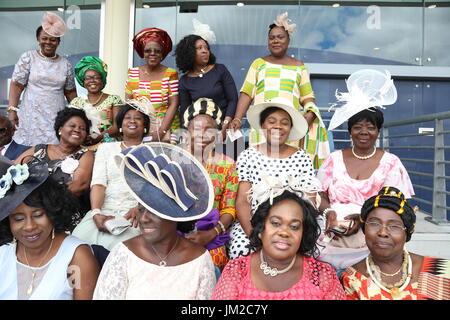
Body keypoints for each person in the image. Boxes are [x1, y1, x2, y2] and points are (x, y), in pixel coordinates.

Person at [317, 70, 414, 270]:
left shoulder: (390, 163)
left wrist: (364, 220)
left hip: (373, 238)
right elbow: (319, 195)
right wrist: (329, 213)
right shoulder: (334, 159)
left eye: (370, 127)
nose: (363, 132)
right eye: (358, 127)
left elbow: (396, 204)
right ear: (350, 130)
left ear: (378, 131)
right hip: (332, 233)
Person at [93, 144, 217, 299]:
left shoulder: (199, 259)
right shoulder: (124, 254)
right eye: (141, 209)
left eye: (154, 212)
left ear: (175, 215)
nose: (144, 219)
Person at [230, 12, 329, 169]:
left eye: (280, 37)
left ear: (288, 41)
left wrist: (309, 114)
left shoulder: (299, 66)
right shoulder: (258, 63)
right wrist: (237, 118)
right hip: (263, 127)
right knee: (260, 167)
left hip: (288, 127)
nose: (275, 40)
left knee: (287, 169)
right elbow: (247, 93)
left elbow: (308, 97)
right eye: (272, 38)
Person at [213, 184, 345, 300]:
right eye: (275, 223)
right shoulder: (236, 271)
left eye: (294, 227)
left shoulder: (322, 276)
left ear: (303, 234)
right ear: (260, 229)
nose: (284, 232)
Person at [228, 98, 321, 260]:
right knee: (241, 249)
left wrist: (296, 229)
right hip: (254, 222)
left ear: (290, 128)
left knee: (309, 252)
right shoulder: (247, 156)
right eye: (271, 121)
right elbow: (242, 201)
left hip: (293, 223)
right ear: (263, 126)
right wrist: (253, 233)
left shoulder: (302, 157)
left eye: (284, 123)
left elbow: (310, 200)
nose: (278, 126)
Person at [0, 157, 99, 299]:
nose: (29, 226)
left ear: (53, 211)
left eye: (38, 215)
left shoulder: (76, 258)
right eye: (18, 219)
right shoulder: (3, 254)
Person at [341, 187, 450, 300]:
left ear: (406, 233)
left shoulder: (442, 270)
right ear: (364, 229)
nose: (383, 232)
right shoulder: (352, 279)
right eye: (374, 223)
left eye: (394, 226)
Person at [72, 100, 152, 250]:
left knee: (120, 248)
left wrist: (141, 207)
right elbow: (98, 183)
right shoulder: (106, 149)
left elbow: (156, 188)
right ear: (120, 125)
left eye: (138, 118)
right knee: (78, 242)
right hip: (104, 210)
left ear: (145, 126)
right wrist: (96, 212)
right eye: (127, 118)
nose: (132, 121)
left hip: (135, 214)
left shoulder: (153, 152)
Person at [180, 98, 238, 269]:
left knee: (215, 261)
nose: (202, 135)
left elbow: (229, 208)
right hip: (174, 231)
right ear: (187, 131)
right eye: (196, 129)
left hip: (211, 231)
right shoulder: (173, 159)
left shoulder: (227, 165)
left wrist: (211, 234)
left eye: (209, 130)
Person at [8, 12, 77, 146]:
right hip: (32, 115)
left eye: (53, 39)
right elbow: (16, 86)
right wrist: (12, 110)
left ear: (58, 42)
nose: (48, 42)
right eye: (44, 38)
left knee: (54, 150)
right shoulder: (28, 57)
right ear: (38, 39)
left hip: (56, 115)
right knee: (28, 151)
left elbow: (70, 93)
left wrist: (79, 115)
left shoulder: (65, 64)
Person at [15, 108, 94, 217]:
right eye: (72, 126)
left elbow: (78, 186)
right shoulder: (39, 149)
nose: (77, 130)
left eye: (83, 128)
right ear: (60, 129)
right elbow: (12, 170)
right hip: (27, 207)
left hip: (62, 211)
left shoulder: (85, 154)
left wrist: (41, 202)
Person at [175, 33, 238, 140]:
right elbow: (185, 114)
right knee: (204, 157)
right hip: (201, 135)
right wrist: (186, 137)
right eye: (199, 48)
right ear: (189, 52)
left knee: (226, 157)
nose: (205, 51)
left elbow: (233, 99)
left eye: (206, 48)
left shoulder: (220, 70)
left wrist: (225, 125)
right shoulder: (185, 81)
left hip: (227, 130)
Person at [125, 27, 180, 144]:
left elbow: (174, 104)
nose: (152, 54)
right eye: (148, 51)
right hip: (140, 126)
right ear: (143, 53)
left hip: (166, 127)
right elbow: (129, 105)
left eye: (157, 51)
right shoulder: (132, 73)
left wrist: (161, 132)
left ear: (162, 54)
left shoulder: (171, 73)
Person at [70, 56, 123, 149]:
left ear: (102, 80)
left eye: (96, 77)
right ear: (83, 81)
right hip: (82, 147)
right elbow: (71, 126)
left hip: (109, 146)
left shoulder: (114, 99)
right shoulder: (76, 103)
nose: (92, 81)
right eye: (88, 78)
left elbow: (117, 126)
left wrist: (98, 137)